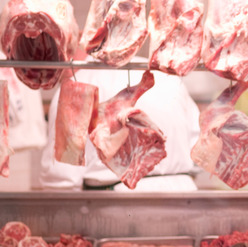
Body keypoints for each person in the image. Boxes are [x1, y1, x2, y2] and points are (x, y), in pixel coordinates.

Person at [39, 57, 201, 192]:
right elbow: (197, 149)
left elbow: (61, 176)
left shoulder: (78, 83)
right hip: (182, 197)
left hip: (116, 204)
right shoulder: (166, 76)